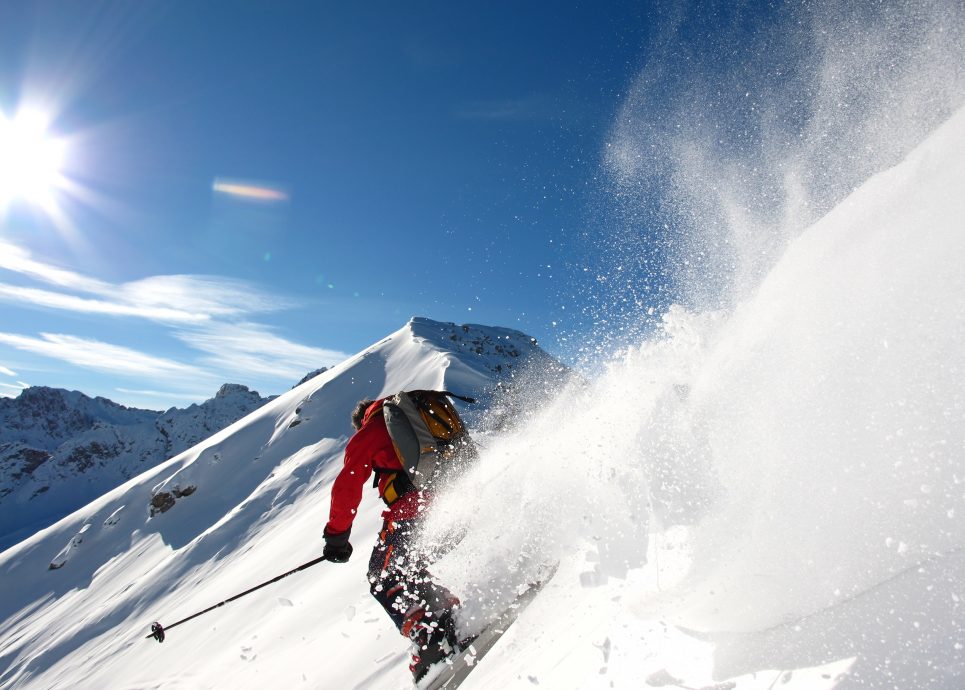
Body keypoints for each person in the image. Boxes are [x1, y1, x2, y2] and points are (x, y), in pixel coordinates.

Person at [323, 397, 464, 682]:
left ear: (362, 419)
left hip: (416, 511)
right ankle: (451, 618)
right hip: (457, 506)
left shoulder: (373, 429)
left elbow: (349, 482)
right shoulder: (422, 418)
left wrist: (337, 537)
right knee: (408, 572)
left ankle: (430, 639)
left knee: (382, 577)